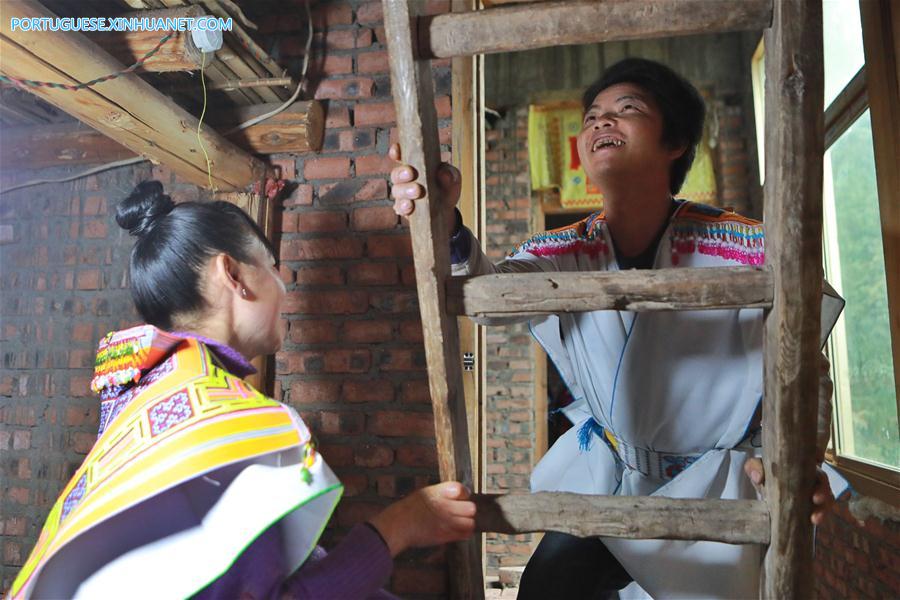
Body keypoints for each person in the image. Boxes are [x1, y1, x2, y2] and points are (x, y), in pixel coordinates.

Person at [390, 58, 845, 599]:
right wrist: (446, 224)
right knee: (546, 590)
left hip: (719, 486)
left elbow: (804, 365)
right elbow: (489, 297)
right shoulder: (564, 248)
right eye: (592, 117)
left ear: (675, 142)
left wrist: (798, 459)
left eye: (627, 110)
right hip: (612, 473)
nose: (602, 123)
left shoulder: (751, 247)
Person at [11, 181, 477, 599]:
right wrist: (401, 525)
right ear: (232, 275)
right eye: (273, 268)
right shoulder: (229, 425)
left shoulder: (137, 405)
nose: (283, 288)